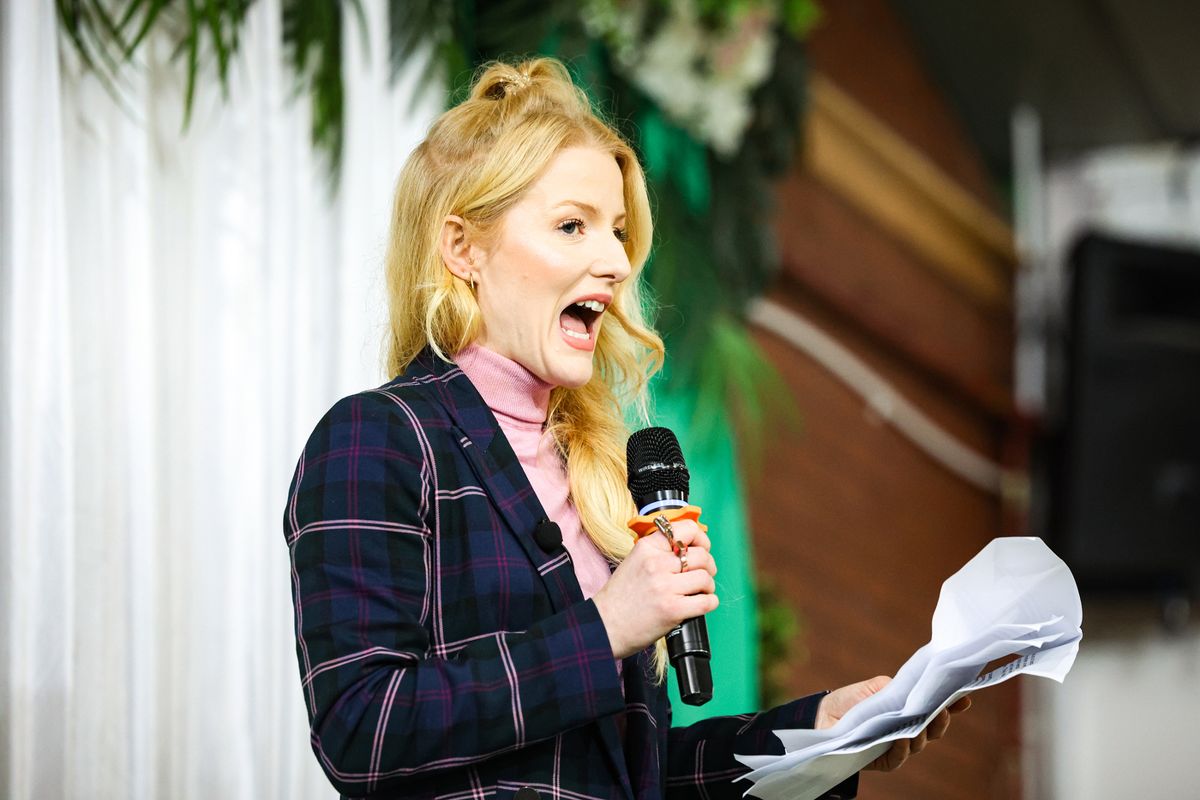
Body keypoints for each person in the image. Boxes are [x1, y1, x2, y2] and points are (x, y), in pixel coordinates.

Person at [283, 57, 967, 800]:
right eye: (572, 225)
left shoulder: (594, 475)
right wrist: (606, 627)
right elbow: (361, 729)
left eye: (616, 232)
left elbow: (620, 774)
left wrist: (824, 734)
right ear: (463, 249)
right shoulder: (380, 438)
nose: (614, 261)